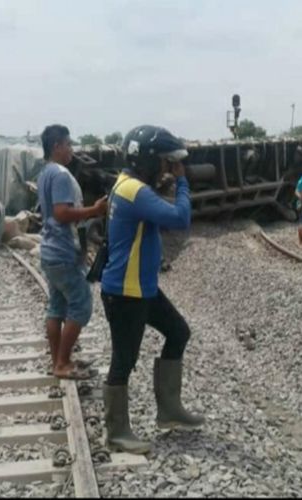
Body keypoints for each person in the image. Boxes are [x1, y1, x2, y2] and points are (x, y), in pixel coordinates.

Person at [100, 125, 203, 455]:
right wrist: (183, 180)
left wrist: (167, 179)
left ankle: (169, 410)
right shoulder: (135, 191)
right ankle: (117, 433)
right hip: (126, 292)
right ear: (146, 161)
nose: (168, 168)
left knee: (178, 332)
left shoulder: (128, 184)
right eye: (165, 162)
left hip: (141, 288)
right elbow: (180, 218)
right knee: (124, 361)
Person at [37, 124, 107, 380]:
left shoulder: (45, 173)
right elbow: (61, 213)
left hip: (49, 250)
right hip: (63, 250)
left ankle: (58, 360)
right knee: (81, 304)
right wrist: (94, 210)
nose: (71, 149)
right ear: (56, 146)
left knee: (57, 306)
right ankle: (63, 362)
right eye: (68, 144)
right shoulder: (61, 175)